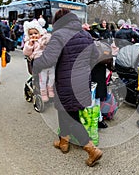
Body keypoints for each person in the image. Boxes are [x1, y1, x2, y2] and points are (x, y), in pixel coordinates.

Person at [33, 9, 102, 167]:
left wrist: (34, 64)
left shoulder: (59, 35)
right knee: (64, 110)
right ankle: (63, 141)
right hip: (82, 81)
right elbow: (95, 56)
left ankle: (91, 149)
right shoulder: (85, 34)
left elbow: (49, 59)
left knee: (71, 117)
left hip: (66, 82)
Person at [23, 20, 54, 102]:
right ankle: (43, 94)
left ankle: (50, 90)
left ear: (40, 33)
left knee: (52, 76)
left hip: (48, 61)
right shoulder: (29, 43)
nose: (33, 35)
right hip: (38, 63)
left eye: (35, 33)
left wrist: (45, 40)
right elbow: (26, 53)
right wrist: (30, 45)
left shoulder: (44, 39)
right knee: (42, 79)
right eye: (31, 34)